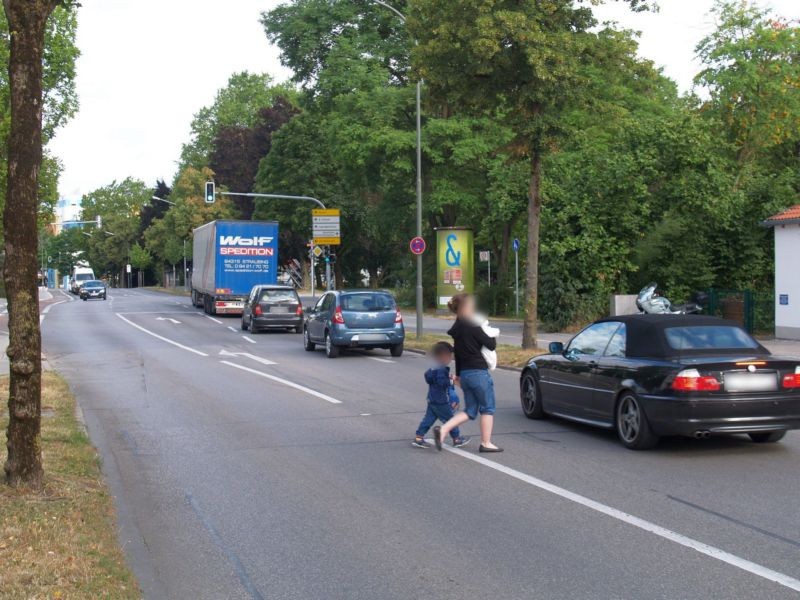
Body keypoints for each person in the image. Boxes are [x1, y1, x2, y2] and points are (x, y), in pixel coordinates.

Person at [435, 293, 503, 453]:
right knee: (488, 409)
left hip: (465, 373)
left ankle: (443, 430)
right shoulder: (473, 325)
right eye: (472, 305)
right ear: (465, 307)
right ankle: (486, 443)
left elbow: (457, 354)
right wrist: (488, 330)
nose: (474, 308)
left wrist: (458, 375)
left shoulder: (458, 328)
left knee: (470, 410)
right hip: (479, 372)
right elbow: (491, 344)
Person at [412, 341, 470, 449]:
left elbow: (428, 377)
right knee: (450, 420)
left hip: (432, 399)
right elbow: (442, 382)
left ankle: (419, 437)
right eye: (449, 357)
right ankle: (456, 438)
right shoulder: (441, 370)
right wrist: (452, 380)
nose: (450, 359)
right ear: (443, 356)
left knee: (428, 419)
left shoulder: (433, 368)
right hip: (441, 400)